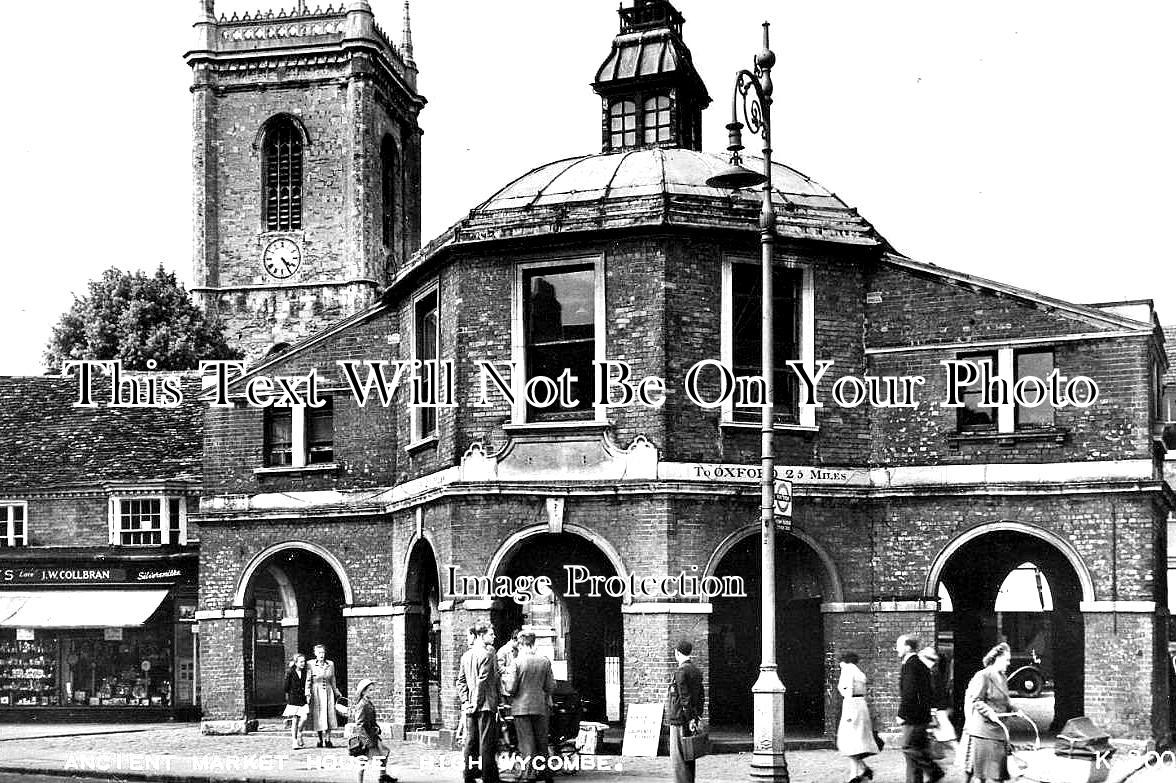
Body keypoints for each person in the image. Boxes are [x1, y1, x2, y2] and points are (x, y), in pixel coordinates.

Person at [502, 632, 556, 783]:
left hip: (521, 708)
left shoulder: (517, 662)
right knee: (542, 741)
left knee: (526, 743)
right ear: (534, 643)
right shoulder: (544, 661)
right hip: (540, 707)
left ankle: (529, 774)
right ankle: (545, 773)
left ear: (520, 644)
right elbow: (550, 687)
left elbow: (511, 688)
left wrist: (506, 683)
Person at [961, 643, 1014, 783]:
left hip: (999, 731)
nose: (1008, 663)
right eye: (1006, 660)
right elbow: (976, 701)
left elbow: (1004, 700)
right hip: (984, 731)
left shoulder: (1002, 677)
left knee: (998, 775)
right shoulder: (983, 675)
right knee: (983, 775)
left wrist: (1014, 709)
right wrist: (989, 712)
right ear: (997, 658)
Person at [897, 634, 943, 783]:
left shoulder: (911, 665)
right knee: (914, 756)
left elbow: (909, 692)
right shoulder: (919, 664)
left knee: (908, 748)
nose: (896, 648)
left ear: (907, 646)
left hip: (913, 717)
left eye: (899, 645)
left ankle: (934, 771)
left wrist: (902, 714)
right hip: (921, 716)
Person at [458, 624, 500, 783]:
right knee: (486, 743)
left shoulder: (466, 656)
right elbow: (482, 682)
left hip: (471, 707)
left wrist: (465, 701)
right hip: (485, 705)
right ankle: (489, 778)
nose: (493, 636)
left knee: (471, 742)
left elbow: (460, 682)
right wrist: (475, 703)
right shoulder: (487, 655)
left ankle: (469, 775)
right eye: (491, 634)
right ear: (481, 635)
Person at [836, 652, 878, 783]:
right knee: (855, 741)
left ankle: (854, 775)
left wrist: (848, 714)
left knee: (849, 740)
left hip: (851, 705)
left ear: (844, 661)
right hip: (861, 705)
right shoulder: (858, 671)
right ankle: (862, 770)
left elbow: (847, 689)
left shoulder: (847, 669)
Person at [667, 639, 704, 783]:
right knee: (690, 755)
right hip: (691, 718)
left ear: (677, 653)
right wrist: (696, 717)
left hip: (680, 719)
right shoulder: (696, 671)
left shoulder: (680, 671)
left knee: (678, 758)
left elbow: (684, 697)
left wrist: (689, 719)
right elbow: (701, 697)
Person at [352, 678, 397, 783]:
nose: (372, 692)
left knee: (384, 752)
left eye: (373, 690)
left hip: (372, 735)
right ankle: (360, 781)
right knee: (363, 761)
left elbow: (372, 720)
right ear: (363, 691)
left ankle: (383, 776)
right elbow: (360, 724)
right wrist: (366, 741)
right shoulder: (362, 705)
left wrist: (377, 728)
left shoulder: (368, 703)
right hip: (366, 738)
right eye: (370, 690)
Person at [305, 643, 343, 748]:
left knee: (329, 714)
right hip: (316, 692)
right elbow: (308, 680)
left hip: (328, 691)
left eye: (323, 652)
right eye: (319, 652)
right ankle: (319, 739)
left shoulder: (330, 664)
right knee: (318, 715)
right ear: (315, 654)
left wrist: (336, 691)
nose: (321, 655)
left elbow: (333, 679)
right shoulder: (310, 664)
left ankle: (328, 739)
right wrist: (307, 692)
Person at [283, 653, 310, 749]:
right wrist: (292, 692)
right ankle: (294, 741)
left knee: (304, 718)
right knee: (295, 720)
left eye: (304, 661)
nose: (303, 663)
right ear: (296, 663)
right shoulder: (290, 672)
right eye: (301, 662)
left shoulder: (305, 672)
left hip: (302, 699)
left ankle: (299, 732)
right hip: (294, 699)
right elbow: (286, 687)